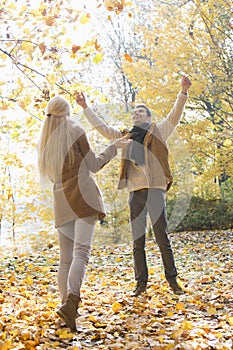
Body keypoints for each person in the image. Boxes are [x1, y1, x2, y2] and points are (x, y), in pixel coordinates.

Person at [75, 75, 192, 296]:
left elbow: (175, 116)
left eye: (140, 112)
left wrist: (183, 93)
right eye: (134, 113)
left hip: (155, 191)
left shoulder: (158, 131)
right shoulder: (126, 136)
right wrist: (85, 107)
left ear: (148, 116)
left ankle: (173, 280)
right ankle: (141, 283)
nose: (136, 114)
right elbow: (102, 128)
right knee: (138, 241)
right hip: (135, 193)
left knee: (162, 237)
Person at [37, 95, 131, 332]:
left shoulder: (45, 141)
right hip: (83, 196)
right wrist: (115, 147)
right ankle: (71, 304)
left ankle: (64, 307)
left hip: (61, 200)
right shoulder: (75, 131)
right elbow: (94, 165)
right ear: (67, 113)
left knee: (65, 259)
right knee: (81, 253)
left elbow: (51, 177)